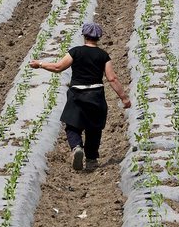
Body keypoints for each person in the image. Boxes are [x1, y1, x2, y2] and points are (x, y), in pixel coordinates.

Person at [29, 22, 131, 171]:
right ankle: (91, 160)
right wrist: (124, 97)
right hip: (96, 95)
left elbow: (58, 67)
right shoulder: (103, 55)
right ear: (98, 38)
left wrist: (40, 64)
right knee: (94, 129)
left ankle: (76, 147)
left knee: (72, 126)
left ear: (84, 36)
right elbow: (112, 78)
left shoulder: (75, 52)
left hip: (77, 94)